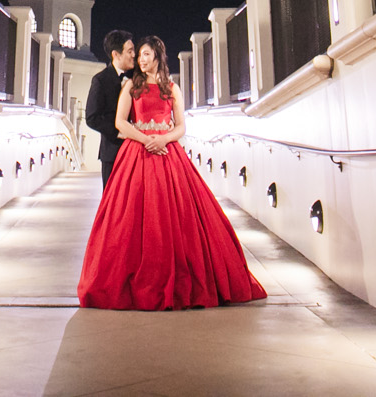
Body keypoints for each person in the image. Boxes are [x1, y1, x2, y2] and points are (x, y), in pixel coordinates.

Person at [77, 35, 267, 310]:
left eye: (146, 55)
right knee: (128, 216)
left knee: (174, 215)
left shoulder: (172, 88)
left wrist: (164, 140)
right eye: (138, 54)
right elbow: (120, 122)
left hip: (167, 153)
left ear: (157, 57)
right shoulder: (131, 85)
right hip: (138, 153)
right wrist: (146, 139)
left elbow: (181, 126)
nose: (141, 60)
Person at [87, 31, 135, 187]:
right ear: (116, 54)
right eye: (130, 51)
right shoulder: (100, 80)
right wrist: (119, 131)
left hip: (135, 152)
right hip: (112, 153)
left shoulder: (136, 78)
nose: (134, 55)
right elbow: (92, 118)